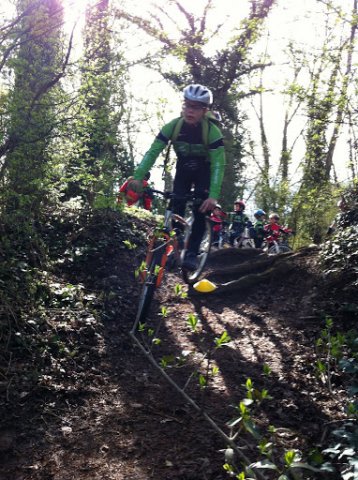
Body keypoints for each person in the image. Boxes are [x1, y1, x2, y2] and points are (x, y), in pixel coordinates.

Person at [122, 84, 226, 271]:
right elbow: (153, 151)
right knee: (175, 206)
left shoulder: (212, 131)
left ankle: (192, 253)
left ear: (205, 110)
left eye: (195, 107)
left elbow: (219, 164)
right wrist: (137, 177)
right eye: (187, 105)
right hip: (183, 169)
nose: (189, 110)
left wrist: (213, 195)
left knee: (201, 209)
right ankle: (174, 245)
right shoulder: (173, 126)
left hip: (205, 170)